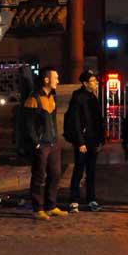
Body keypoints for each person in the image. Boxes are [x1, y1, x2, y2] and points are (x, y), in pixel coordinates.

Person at [24, 67, 67, 221]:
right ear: (46, 79)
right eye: (55, 77)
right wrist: (36, 142)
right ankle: (38, 208)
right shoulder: (34, 98)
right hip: (42, 144)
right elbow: (28, 124)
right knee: (39, 176)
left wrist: (56, 139)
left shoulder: (52, 96)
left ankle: (51, 206)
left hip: (53, 142)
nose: (58, 80)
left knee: (55, 175)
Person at [65, 70, 105, 213]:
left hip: (93, 140)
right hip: (83, 141)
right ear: (85, 83)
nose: (96, 83)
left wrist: (101, 140)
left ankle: (91, 199)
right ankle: (74, 200)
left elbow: (97, 121)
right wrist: (80, 142)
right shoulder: (78, 97)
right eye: (93, 81)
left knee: (92, 171)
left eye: (95, 80)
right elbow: (75, 121)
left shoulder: (93, 96)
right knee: (79, 170)